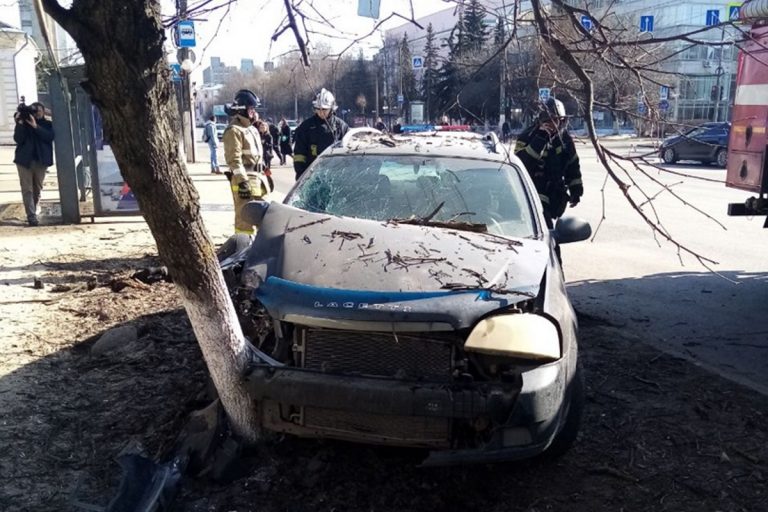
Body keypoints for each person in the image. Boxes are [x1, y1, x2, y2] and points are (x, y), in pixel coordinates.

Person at [514, 97, 583, 228]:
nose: (555, 124)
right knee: (544, 226)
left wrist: (576, 190)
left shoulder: (565, 139)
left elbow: (573, 165)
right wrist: (540, 139)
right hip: (533, 193)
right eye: (550, 120)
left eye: (558, 120)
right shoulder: (527, 136)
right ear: (542, 120)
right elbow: (522, 164)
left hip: (555, 194)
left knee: (552, 228)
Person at [222, 89, 270, 237]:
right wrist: (243, 182)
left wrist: (266, 174)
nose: (254, 113)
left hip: (258, 180)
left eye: (254, 109)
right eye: (251, 109)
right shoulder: (234, 130)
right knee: (245, 220)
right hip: (244, 183)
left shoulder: (251, 129)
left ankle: (259, 247)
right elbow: (234, 160)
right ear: (241, 110)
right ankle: (243, 249)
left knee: (264, 216)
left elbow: (258, 157)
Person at [293, 88, 349, 181]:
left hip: (335, 177)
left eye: (324, 109)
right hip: (311, 176)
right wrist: (301, 175)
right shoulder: (306, 127)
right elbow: (299, 154)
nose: (321, 112)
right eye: (318, 109)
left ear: (332, 108)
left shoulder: (341, 126)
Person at [13, 101, 54, 227]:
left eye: (39, 112)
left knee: (37, 189)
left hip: (41, 161)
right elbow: (18, 139)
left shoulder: (47, 124)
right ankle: (31, 217)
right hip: (24, 161)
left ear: (43, 112)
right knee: (27, 190)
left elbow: (49, 137)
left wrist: (36, 126)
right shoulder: (23, 124)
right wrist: (20, 123)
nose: (36, 114)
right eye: (34, 112)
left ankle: (34, 211)